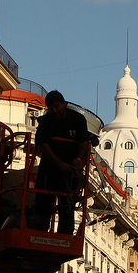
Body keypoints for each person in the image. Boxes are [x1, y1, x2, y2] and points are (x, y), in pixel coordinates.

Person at [32, 90, 89, 234]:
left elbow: (84, 143)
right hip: (49, 173)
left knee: (67, 208)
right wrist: (60, 164)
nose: (55, 111)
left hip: (69, 175)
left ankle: (65, 236)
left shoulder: (77, 120)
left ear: (64, 104)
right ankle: (40, 234)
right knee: (43, 207)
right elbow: (43, 146)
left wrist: (78, 160)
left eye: (57, 106)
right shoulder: (45, 122)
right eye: (51, 108)